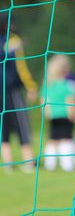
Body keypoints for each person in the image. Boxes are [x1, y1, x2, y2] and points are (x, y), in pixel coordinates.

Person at [0, 13, 37, 172]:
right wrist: (31, 86)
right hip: (11, 89)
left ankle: (8, 164)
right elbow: (20, 67)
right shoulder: (13, 41)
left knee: (3, 127)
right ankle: (28, 163)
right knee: (21, 124)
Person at [41, 54, 75, 172]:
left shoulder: (48, 86)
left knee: (52, 139)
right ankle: (67, 165)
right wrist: (74, 115)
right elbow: (70, 102)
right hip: (66, 116)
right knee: (66, 139)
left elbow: (44, 102)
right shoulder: (68, 86)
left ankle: (49, 165)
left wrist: (47, 114)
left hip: (53, 117)